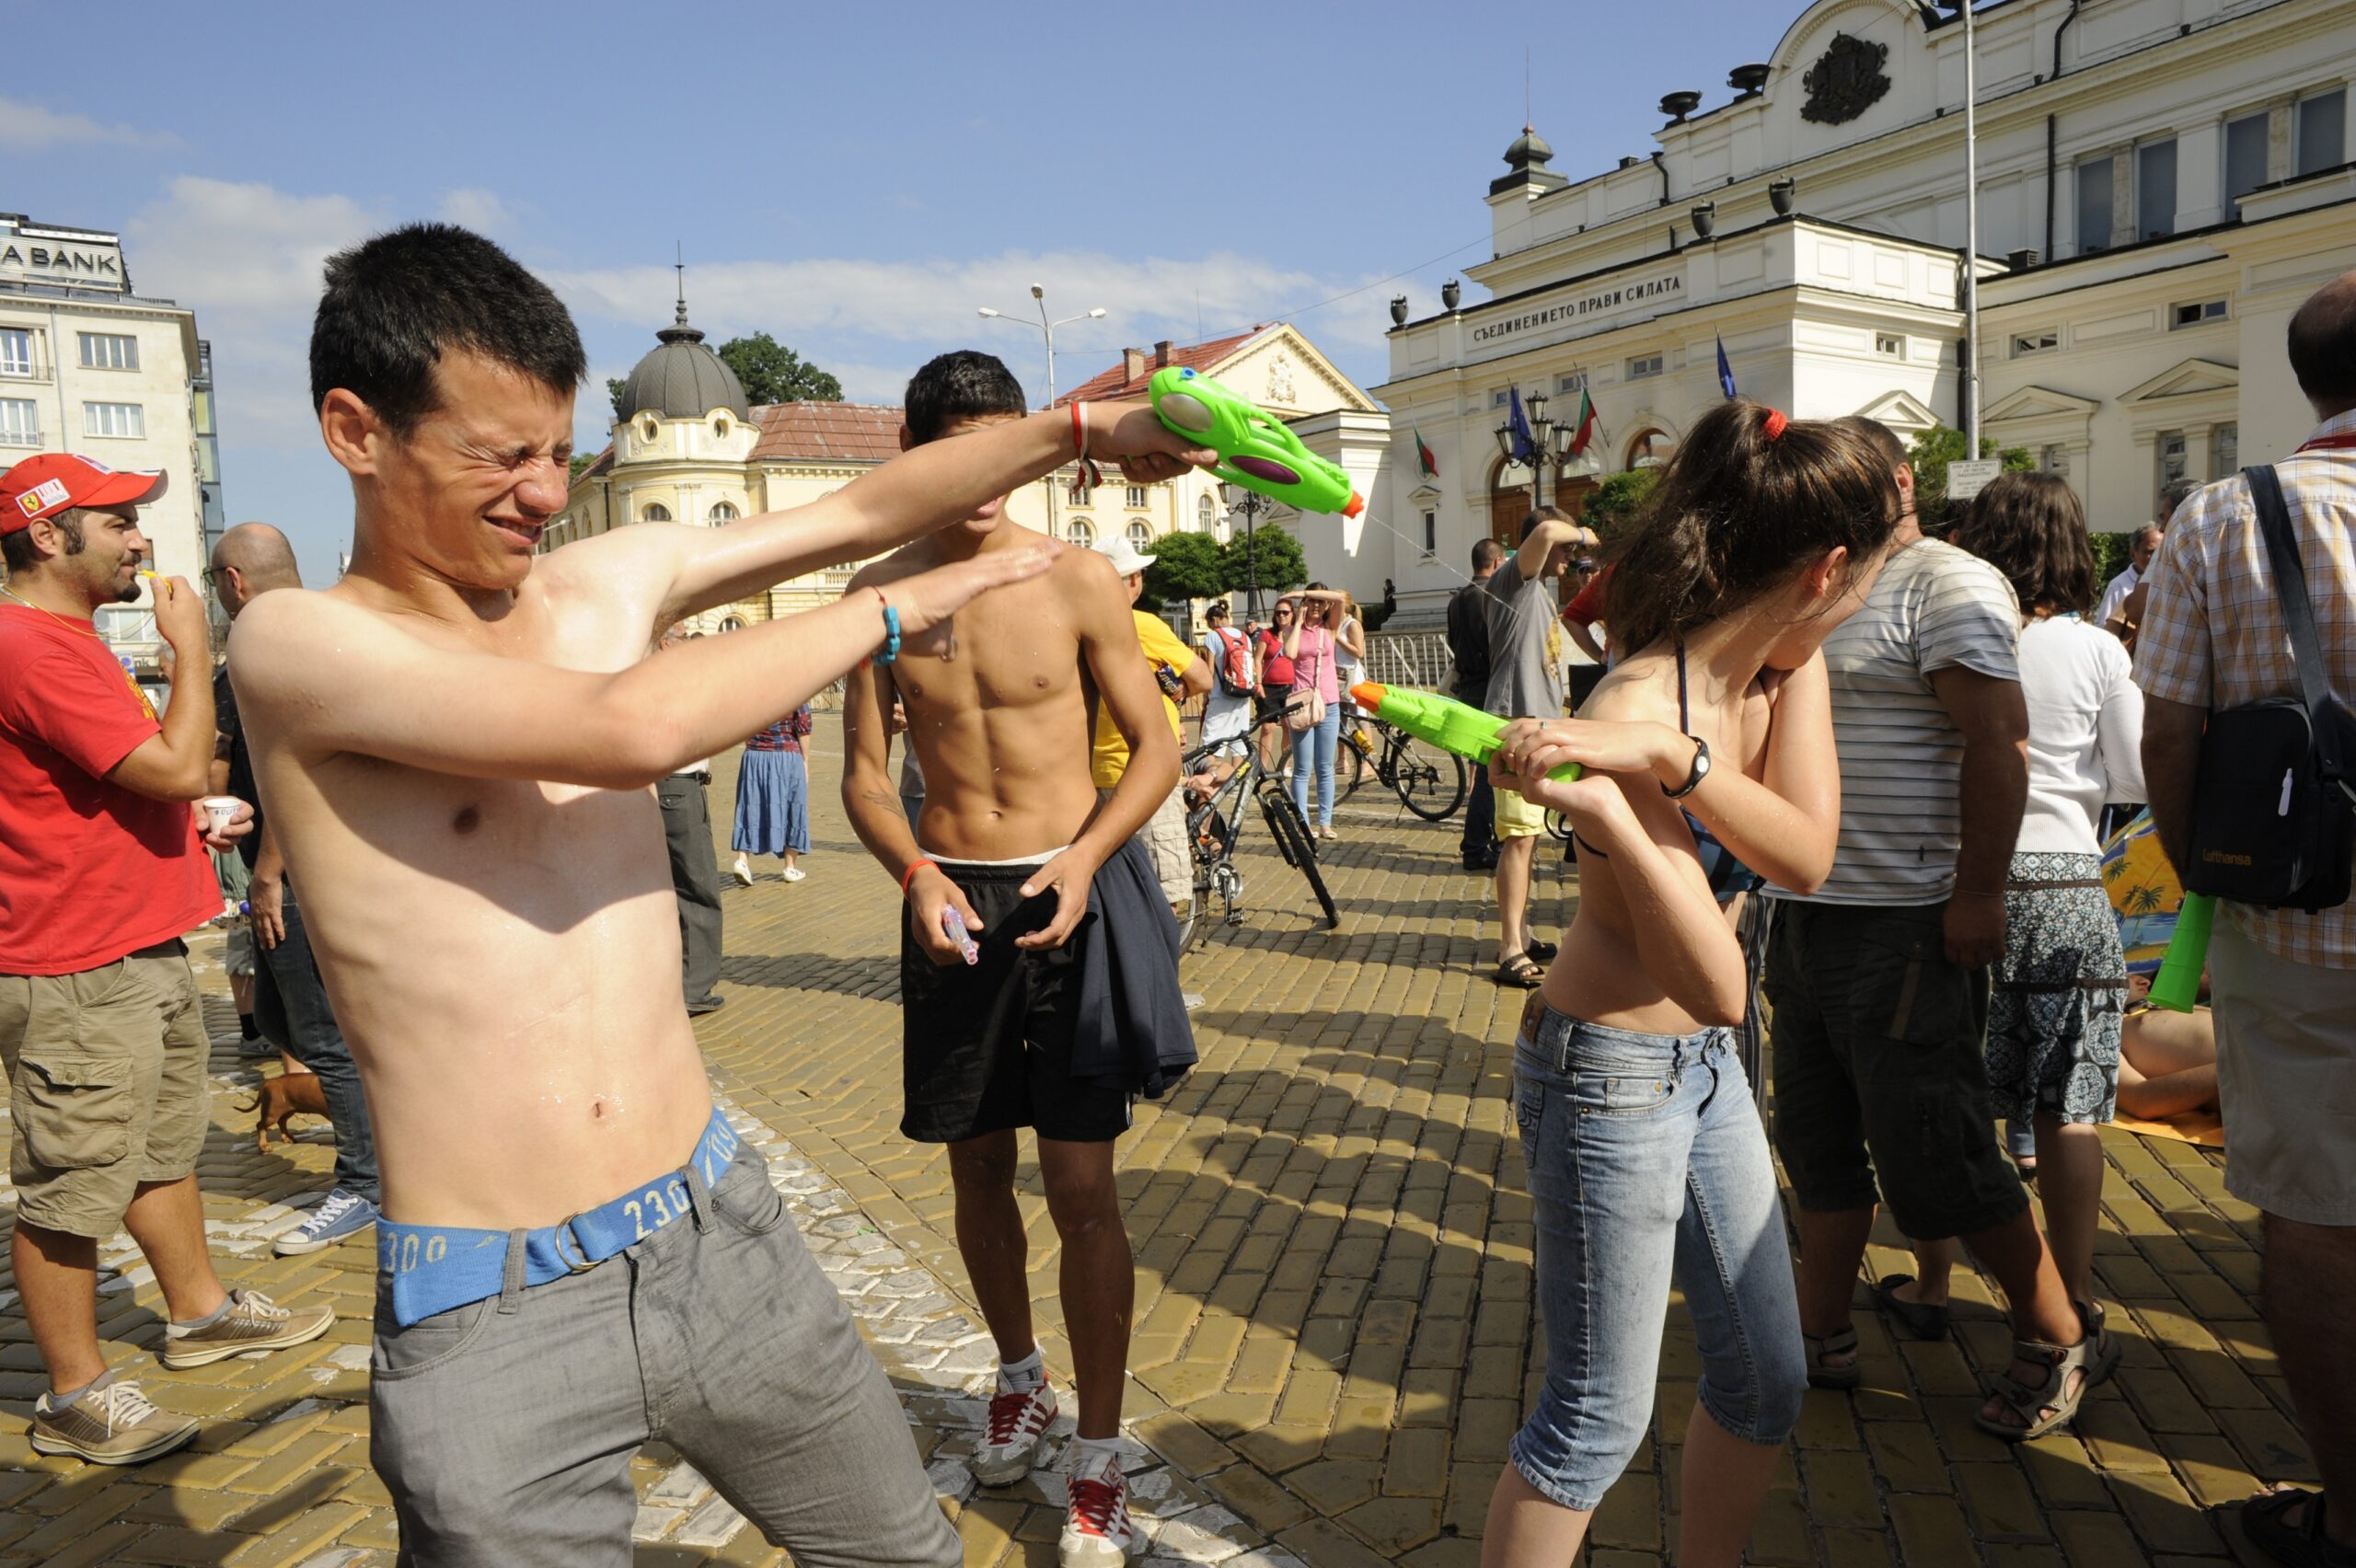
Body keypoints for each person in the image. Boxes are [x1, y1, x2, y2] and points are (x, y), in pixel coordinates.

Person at [229, 227, 1209, 1567]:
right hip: (494, 1304)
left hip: (722, 1230)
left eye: (558, 453)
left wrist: (1087, 429)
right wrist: (895, 612)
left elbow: (858, 512)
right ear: (356, 431)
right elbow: (630, 727)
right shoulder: (300, 643)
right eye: (498, 456)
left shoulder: (596, 584)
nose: (541, 493)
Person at [1474, 401, 1898, 1567]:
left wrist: (1682, 763)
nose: (1864, 596)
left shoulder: (1778, 669)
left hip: (1702, 1070)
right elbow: (1717, 984)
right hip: (1608, 1073)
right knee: (1590, 1425)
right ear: (1825, 571)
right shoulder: (1627, 707)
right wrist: (1619, 804)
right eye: (1869, 574)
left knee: (1766, 1379)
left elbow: (1803, 856)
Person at [838, 350, 1200, 1567]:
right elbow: (862, 777)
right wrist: (913, 872)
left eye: (1011, 445)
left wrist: (1091, 856)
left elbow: (1153, 747)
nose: (992, 475)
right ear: (918, 456)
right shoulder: (879, 594)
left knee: (1084, 1191)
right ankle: (1018, 1378)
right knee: (978, 1169)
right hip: (953, 902)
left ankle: (1099, 1456)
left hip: (1069, 890)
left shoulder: (1078, 577)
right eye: (964, 450)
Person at [1765, 414, 2108, 1444]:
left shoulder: (1947, 583)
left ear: (1901, 482)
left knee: (1940, 1152)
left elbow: (2001, 744)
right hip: (1807, 913)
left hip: (1907, 922)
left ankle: (2055, 1335)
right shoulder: (1815, 585)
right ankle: (1819, 1332)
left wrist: (1978, 895)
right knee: (1815, 1142)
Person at [0, 457, 331, 1467]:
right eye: (117, 522)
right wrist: (193, 649)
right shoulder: (28, 646)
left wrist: (184, 820)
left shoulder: (69, 640)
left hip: (135, 944)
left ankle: (198, 1311)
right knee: (71, 1182)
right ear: (48, 535)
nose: (140, 539)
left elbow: (115, 785)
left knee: (158, 1147)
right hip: (74, 966)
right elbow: (180, 760)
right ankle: (74, 1395)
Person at [2136, 270, 2356, 1568]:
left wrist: (2206, 877)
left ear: (2306, 380)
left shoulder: (2227, 515)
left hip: (2299, 925)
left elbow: (2169, 733)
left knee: (2320, 1214)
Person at [1901, 474, 2143, 1316]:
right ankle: (2069, 1295)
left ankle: (1933, 1283)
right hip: (2067, 882)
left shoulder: (1951, 634)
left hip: (1961, 876)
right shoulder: (2098, 651)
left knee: (1943, 1095)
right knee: (2068, 1107)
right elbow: (2134, 774)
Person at [210, 523, 386, 1255]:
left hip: (301, 874)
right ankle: (385, 1144)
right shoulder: (303, 636)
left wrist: (270, 872)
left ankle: (365, 1184)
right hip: (296, 870)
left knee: (321, 1037)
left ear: (233, 582)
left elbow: (299, 772)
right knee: (284, 1023)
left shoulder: (278, 645)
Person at [1484, 507, 1599, 987]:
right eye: (1567, 549)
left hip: (1537, 727)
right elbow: (1548, 529)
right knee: (1519, 839)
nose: (1571, 556)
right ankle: (1510, 947)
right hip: (1516, 727)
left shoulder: (1539, 592)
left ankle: (1523, 933)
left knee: (1529, 838)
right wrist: (1588, 533)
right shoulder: (1514, 580)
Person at [1093, 536, 1211, 913]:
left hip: (1093, 771)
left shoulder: (1074, 626)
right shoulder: (1142, 624)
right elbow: (1203, 678)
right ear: (1132, 580)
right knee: (1162, 889)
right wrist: (1180, 691)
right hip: (1146, 771)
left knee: (1110, 880)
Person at [646, 626, 726, 1015]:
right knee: (699, 887)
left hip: (673, 786)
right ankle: (694, 988)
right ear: (665, 643)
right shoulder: (670, 680)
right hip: (680, 787)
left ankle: (674, 980)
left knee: (674, 886)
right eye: (680, 637)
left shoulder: (649, 676)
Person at [1448, 538, 1505, 871]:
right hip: (1489, 688)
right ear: (1497, 563)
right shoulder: (1491, 596)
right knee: (1489, 773)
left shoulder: (1457, 599)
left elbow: (1452, 642)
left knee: (1487, 769)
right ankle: (1476, 845)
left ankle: (1485, 840)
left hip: (1469, 686)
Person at [1280, 586, 1345, 840]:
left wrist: (1303, 593)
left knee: (1325, 767)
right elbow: (1290, 653)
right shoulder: (1290, 630)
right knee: (1302, 768)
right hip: (1303, 704)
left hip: (1329, 703)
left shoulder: (1330, 628)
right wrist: (1298, 621)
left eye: (1320, 601)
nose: (1316, 606)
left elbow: (1340, 598)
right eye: (1311, 601)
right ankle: (1304, 823)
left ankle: (1325, 823)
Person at [732, 702, 815, 885]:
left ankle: (742, 861)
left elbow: (742, 724)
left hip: (754, 756)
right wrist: (805, 761)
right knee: (793, 808)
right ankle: (790, 867)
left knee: (749, 807)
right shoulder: (795, 690)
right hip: (786, 755)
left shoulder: (751, 691)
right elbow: (803, 726)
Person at [2095, 524, 2163, 632]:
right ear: (2133, 554)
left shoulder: (2170, 583)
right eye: (2150, 552)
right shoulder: (2118, 586)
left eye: (2161, 551)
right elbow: (2102, 628)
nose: (2157, 557)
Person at [1254, 601, 1297, 776]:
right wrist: (1258, 683)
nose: (1281, 616)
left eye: (1285, 612)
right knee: (1267, 727)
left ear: (1292, 613)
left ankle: (1285, 765)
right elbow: (1257, 660)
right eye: (1278, 612)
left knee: (1289, 726)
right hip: (1269, 688)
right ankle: (1262, 767)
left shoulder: (1296, 633)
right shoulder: (1267, 635)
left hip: (1291, 687)